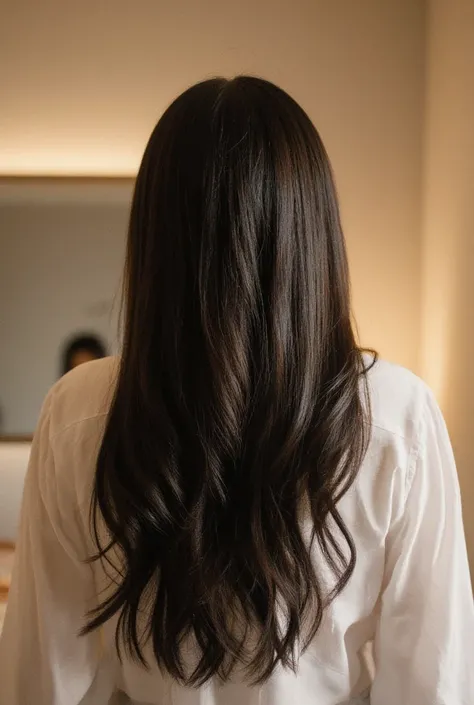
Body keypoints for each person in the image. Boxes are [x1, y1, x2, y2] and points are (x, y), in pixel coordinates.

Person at [0, 77, 472, 705]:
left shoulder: (79, 412)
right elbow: (433, 682)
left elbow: (41, 678)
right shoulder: (393, 414)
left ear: (155, 236)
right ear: (312, 232)